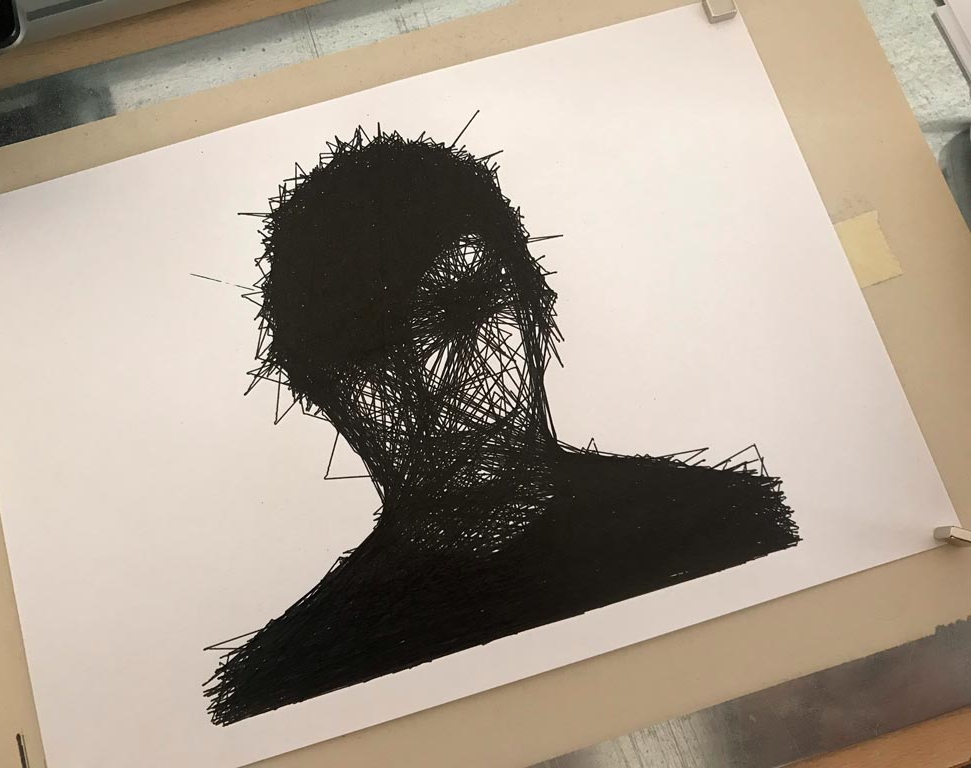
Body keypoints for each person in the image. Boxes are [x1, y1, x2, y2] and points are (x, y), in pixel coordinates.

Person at [205, 129, 799, 726]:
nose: (431, 385)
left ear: (537, 307)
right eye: (367, 354)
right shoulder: (286, 678)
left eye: (462, 308)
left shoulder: (732, 521)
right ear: (320, 396)